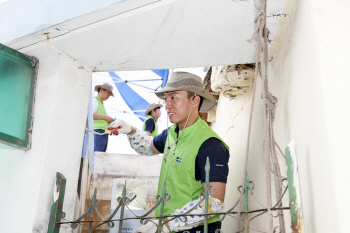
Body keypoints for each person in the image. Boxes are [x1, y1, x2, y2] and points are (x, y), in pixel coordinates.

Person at [109, 72, 230, 233]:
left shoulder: (210, 144)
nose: (167, 105)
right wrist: (131, 130)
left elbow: (214, 202)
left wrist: (165, 225)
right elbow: (147, 148)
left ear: (195, 100)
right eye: (166, 98)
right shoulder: (171, 134)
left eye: (174, 97)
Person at [93, 83, 115, 152]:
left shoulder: (101, 103)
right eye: (108, 94)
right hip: (98, 131)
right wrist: (106, 117)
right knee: (97, 154)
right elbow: (91, 114)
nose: (108, 96)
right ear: (101, 90)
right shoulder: (94, 100)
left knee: (101, 154)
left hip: (103, 132)